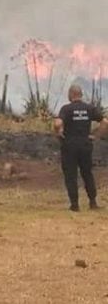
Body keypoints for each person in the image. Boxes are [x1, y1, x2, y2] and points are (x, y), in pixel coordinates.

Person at [54, 84, 108, 212]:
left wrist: (58, 132)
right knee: (87, 173)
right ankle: (93, 202)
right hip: (85, 145)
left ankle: (75, 205)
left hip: (70, 146)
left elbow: (57, 123)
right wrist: (96, 135)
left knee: (71, 175)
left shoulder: (66, 109)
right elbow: (105, 122)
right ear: (80, 94)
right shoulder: (89, 108)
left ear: (71, 94)